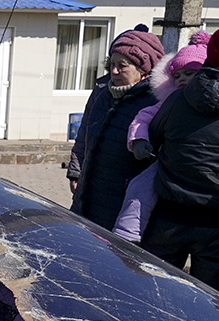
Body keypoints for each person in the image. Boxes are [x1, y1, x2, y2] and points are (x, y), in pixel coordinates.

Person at [141, 21, 219, 295]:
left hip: (169, 215)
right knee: (215, 305)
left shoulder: (177, 99)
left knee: (156, 293)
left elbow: (154, 137)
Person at [112, 31, 210, 242]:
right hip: (169, 160)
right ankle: (126, 234)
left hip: (207, 173)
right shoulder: (170, 101)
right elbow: (143, 117)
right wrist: (139, 140)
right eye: (178, 75)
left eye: (190, 73)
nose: (182, 79)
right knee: (140, 187)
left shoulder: (216, 103)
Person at [66, 26, 163, 230]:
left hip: (124, 202)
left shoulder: (155, 103)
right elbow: (83, 135)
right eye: (112, 64)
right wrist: (76, 171)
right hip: (88, 194)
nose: (114, 71)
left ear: (143, 69)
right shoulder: (102, 93)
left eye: (123, 65)